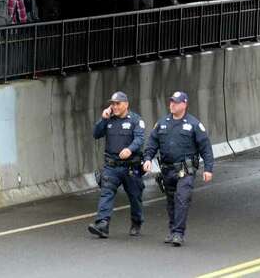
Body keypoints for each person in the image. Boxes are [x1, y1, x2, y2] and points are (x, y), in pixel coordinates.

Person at [142, 91, 215, 247]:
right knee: (171, 202)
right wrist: (147, 158)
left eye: (176, 102)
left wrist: (208, 168)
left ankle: (178, 233)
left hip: (185, 171)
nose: (172, 105)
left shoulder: (194, 124)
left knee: (182, 200)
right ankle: (172, 230)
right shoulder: (162, 123)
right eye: (171, 102)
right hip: (167, 170)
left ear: (184, 104)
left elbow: (205, 147)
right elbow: (152, 143)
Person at [88, 91, 146, 239]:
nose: (114, 106)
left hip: (131, 167)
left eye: (118, 104)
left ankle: (136, 222)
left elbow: (139, 139)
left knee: (135, 196)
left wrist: (129, 149)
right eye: (113, 104)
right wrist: (103, 119)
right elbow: (96, 134)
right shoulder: (109, 119)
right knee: (106, 193)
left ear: (126, 104)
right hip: (112, 166)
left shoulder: (135, 120)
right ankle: (102, 224)